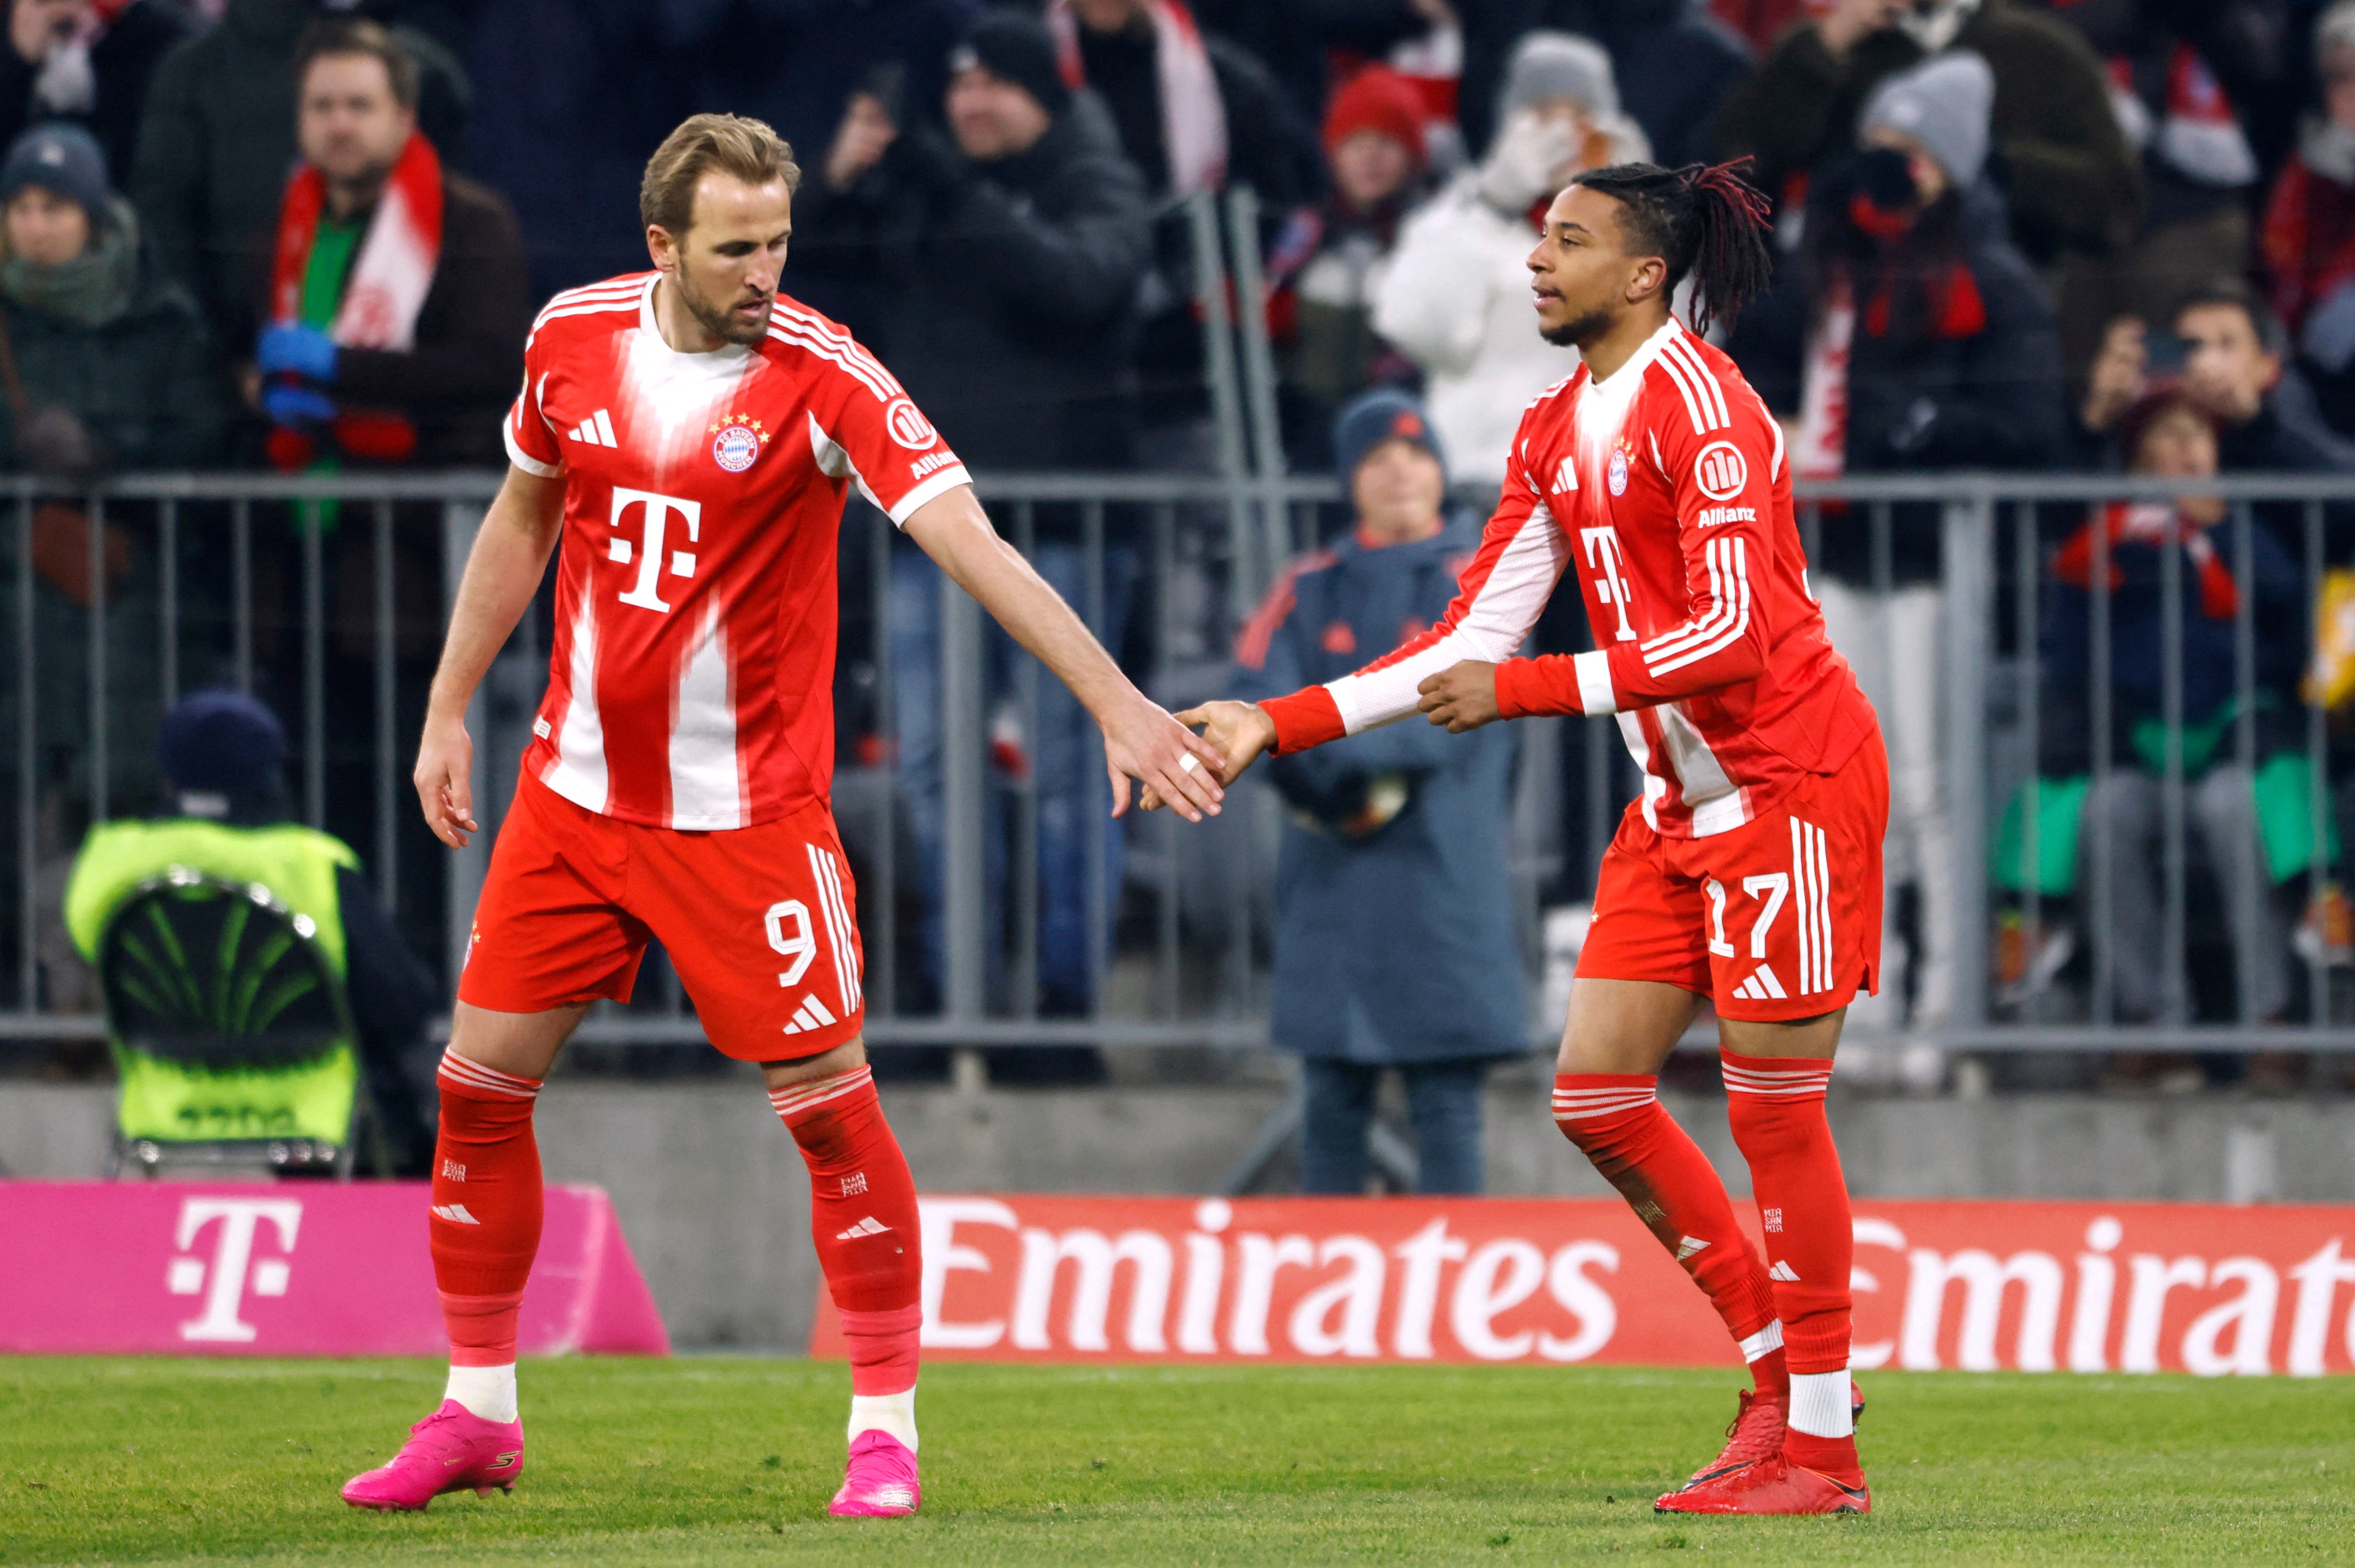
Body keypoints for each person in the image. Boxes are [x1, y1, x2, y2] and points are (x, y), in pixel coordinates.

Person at [338, 112, 1225, 1520]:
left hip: (746, 822)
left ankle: (884, 1430)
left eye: (780, 241)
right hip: (569, 800)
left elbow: (967, 542)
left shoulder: (826, 376)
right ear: (661, 247)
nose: (765, 270)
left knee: (823, 1112)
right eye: (737, 247)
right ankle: (476, 1409)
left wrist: (1115, 700)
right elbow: (521, 514)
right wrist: (450, 706)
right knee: (475, 1090)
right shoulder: (570, 336)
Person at [1173, 161, 1883, 1514]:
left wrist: (1533, 690)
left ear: (1643, 274)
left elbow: (1727, 638)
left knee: (1771, 1109)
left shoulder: (1708, 408)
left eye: (1569, 241)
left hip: (1788, 781)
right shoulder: (1555, 426)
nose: (1537, 263)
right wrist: (1276, 720)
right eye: (1537, 238)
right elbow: (1468, 638)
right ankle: (1775, 1376)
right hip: (1674, 803)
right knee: (1597, 1093)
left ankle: (1823, 1453)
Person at [800, 11, 1156, 1052]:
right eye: (959, 90)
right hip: (933, 537)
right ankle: (960, 996)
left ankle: (1061, 1010)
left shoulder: (1092, 172)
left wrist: (948, 186)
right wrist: (840, 182)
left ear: (1042, 96)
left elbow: (1079, 283)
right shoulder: (918, 182)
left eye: (995, 86)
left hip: (1061, 531)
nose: (970, 105)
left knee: (1062, 773)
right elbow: (798, 290)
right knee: (928, 769)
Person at [1729, 51, 2063, 1030]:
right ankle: (1864, 1001)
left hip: (1926, 561)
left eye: (1911, 154)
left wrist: (1908, 430)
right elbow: (1746, 350)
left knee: (1925, 786)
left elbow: (2028, 421)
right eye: (1878, 148)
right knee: (1846, 793)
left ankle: (1945, 999)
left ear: (1953, 169)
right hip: (1830, 561)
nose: (1888, 170)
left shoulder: (1989, 277)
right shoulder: (1827, 264)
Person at [1230, 389, 1523, 1194]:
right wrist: (1308, 758)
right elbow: (1253, 696)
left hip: (1440, 881)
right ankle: (1334, 1293)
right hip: (1328, 886)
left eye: (1417, 454)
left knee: (1446, 1102)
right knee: (1328, 1098)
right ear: (1347, 481)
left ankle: (1452, 1296)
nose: (1400, 472)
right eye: (1376, 458)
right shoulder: (1304, 584)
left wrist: (1318, 747)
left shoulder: (1482, 581)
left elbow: (1452, 699)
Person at [2039, 385, 2310, 1063]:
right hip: (2133, 752)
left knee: (2233, 808)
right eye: (2169, 435)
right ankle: (2152, 1021)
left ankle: (2268, 1018)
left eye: (2200, 434)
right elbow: (2068, 658)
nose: (2189, 449)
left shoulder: (2246, 532)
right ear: (2137, 463)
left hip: (2231, 752)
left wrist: (2217, 532)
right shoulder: (2102, 546)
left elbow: (2285, 628)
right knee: (2105, 814)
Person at [62, 690, 439, 1171]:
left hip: (168, 1097)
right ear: (270, 775)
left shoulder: (112, 859)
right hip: (307, 1098)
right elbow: (400, 1000)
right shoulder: (310, 864)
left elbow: (84, 942)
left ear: (167, 771)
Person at [246, 18, 529, 470]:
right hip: (303, 507)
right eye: (322, 106)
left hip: (422, 512)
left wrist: (341, 367)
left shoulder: (473, 223)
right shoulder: (277, 229)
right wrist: (260, 390)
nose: (340, 124)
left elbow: (492, 368)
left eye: (360, 106)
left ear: (404, 118)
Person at [1373, 31, 1648, 493]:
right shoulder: (1457, 217)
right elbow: (1415, 328)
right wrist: (1494, 208)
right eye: (1543, 116)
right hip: (1487, 485)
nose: (1563, 136)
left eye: (1580, 117)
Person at [1712, 0, 2138, 273]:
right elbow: (1737, 166)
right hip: (1844, 290)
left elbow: (2115, 200)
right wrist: (1829, 40)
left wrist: (1988, 163)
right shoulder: (1847, 43)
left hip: (1990, 304)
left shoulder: (2040, 49)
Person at [129, 0, 470, 339]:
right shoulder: (195, 72)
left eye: (359, 106)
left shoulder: (425, 71)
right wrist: (216, 360)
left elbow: (458, 237)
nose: (340, 125)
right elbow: (164, 223)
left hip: (404, 359)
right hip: (236, 356)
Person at [1265, 65, 1430, 466]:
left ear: (1412, 157)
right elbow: (1270, 301)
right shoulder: (1309, 231)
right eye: (1355, 143)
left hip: (1406, 419)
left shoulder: (1430, 234)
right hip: (1313, 422)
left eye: (1387, 144)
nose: (1370, 158)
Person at [2261, 0, 2355, 437]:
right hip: (2311, 374)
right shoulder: (2305, 172)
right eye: (2339, 79)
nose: (2351, 95)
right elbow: (2282, 264)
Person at [0, 0, 190, 182]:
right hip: (20, 194)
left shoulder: (163, 32)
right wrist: (19, 59)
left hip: (119, 194)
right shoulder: (19, 18)